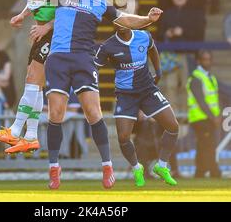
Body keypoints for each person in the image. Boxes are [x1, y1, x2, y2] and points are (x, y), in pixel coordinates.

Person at [26, 0, 163, 189]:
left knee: (93, 112)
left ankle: (107, 165)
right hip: (58, 60)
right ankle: (53, 167)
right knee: (56, 113)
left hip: (83, 60)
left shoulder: (99, 3)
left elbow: (125, 19)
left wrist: (148, 19)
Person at [0, 0, 66, 153]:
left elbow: (68, 9)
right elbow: (34, 2)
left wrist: (46, 27)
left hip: (57, 32)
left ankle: (14, 132)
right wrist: (22, 16)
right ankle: (30, 135)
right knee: (35, 83)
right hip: (43, 32)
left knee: (32, 78)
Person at [94, 22, 179, 187]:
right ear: (113, 24)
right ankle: (136, 167)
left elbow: (153, 49)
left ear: (131, 22)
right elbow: (94, 68)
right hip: (126, 95)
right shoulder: (108, 46)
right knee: (123, 136)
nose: (122, 24)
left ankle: (161, 166)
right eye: (118, 21)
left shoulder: (144, 36)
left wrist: (158, 71)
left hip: (148, 90)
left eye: (126, 20)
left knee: (173, 126)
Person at [186, 50, 221, 178]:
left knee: (204, 146)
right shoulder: (196, 78)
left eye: (209, 59)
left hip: (209, 118)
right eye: (205, 59)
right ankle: (214, 171)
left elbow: (214, 99)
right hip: (200, 118)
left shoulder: (210, 77)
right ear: (198, 61)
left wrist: (217, 116)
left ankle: (200, 172)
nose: (208, 62)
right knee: (208, 146)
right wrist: (213, 117)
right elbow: (201, 101)